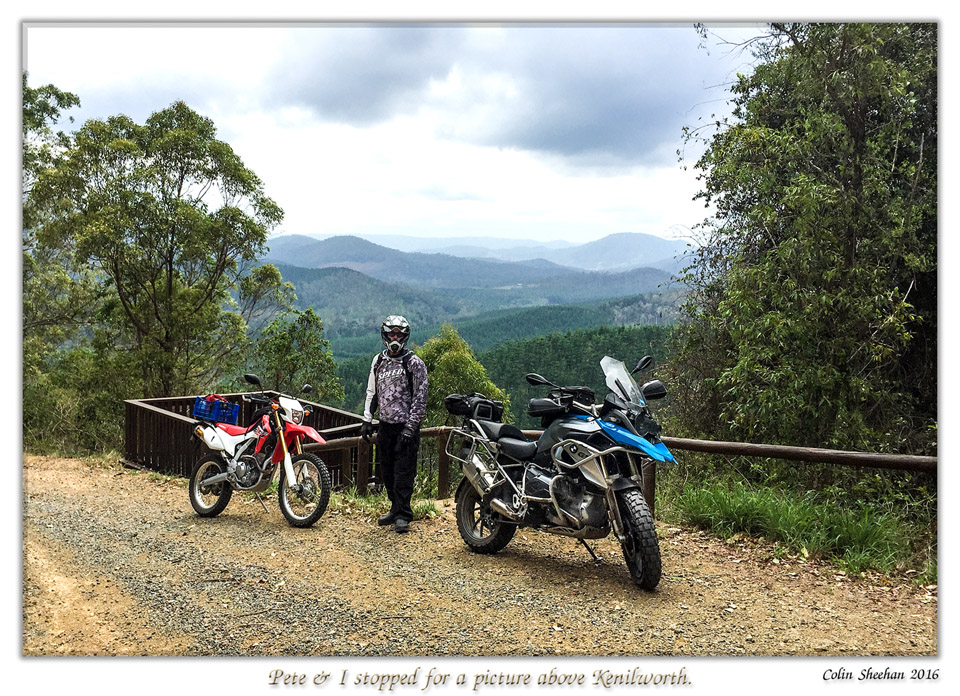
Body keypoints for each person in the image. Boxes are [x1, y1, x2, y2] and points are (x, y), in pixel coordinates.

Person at [360, 315, 428, 533]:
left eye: (399, 334)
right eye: (392, 334)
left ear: (405, 337)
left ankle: (403, 514)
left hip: (406, 427)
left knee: (404, 473)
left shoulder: (414, 363)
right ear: (385, 336)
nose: (395, 338)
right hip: (385, 426)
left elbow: (420, 396)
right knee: (387, 471)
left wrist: (411, 427)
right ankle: (394, 508)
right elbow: (373, 392)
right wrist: (367, 420)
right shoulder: (378, 361)